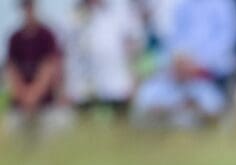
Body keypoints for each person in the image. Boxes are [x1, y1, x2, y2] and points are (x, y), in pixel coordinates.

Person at [132, 0, 236, 128]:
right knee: (148, 97)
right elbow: (174, 38)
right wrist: (181, 60)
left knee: (210, 104)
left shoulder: (224, 5)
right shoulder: (182, 5)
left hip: (210, 71)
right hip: (179, 67)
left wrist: (198, 63)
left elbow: (227, 40)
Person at [64, 0, 146, 120]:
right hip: (83, 88)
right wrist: (66, 87)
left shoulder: (121, 10)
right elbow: (68, 52)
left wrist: (135, 80)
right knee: (86, 126)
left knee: (120, 125)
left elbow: (135, 47)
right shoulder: (73, 15)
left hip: (117, 85)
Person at [3, 0, 73, 135]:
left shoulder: (47, 35)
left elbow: (49, 67)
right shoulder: (14, 38)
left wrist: (33, 96)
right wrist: (25, 97)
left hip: (45, 104)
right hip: (21, 106)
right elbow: (12, 71)